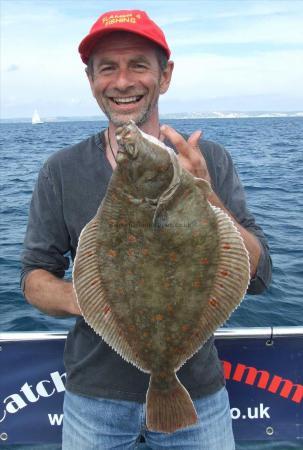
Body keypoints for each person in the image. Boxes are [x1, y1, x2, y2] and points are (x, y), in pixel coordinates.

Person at [21, 9, 272, 450]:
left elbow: (257, 275)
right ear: (91, 80)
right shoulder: (59, 171)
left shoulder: (210, 160)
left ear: (165, 75)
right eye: (107, 68)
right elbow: (34, 279)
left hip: (198, 393)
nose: (122, 82)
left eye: (138, 64)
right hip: (91, 398)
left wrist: (205, 194)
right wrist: (107, 299)